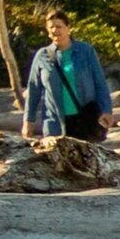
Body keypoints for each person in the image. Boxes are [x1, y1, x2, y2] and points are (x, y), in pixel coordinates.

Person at [21, 8, 112, 143]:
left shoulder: (85, 51)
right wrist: (28, 121)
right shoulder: (42, 56)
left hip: (85, 119)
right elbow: (34, 90)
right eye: (51, 27)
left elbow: (99, 82)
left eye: (59, 26)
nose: (55, 30)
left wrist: (106, 109)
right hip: (55, 123)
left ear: (68, 28)